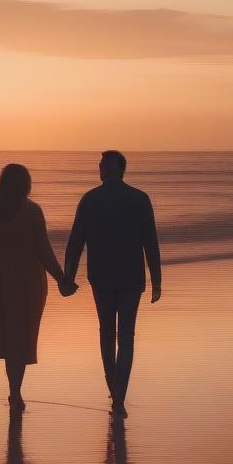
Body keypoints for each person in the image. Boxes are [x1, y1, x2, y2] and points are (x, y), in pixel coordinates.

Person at [63, 150, 161, 417]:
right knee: (124, 336)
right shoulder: (139, 199)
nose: (100, 169)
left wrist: (67, 276)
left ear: (111, 169)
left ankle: (115, 392)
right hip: (130, 277)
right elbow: (150, 243)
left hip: (103, 277)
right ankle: (119, 394)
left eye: (102, 165)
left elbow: (75, 243)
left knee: (108, 333)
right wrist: (157, 280)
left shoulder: (91, 199)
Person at [0, 163, 77, 411]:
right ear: (26, 184)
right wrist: (61, 278)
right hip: (28, 279)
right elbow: (44, 250)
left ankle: (14, 391)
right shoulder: (32, 211)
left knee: (9, 336)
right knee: (21, 337)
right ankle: (15, 392)